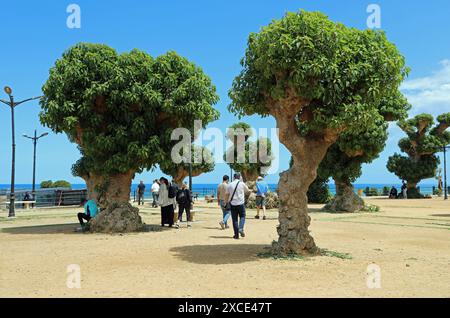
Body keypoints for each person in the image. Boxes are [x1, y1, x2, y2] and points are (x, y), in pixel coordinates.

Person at [226, 173, 250, 239]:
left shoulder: (229, 184)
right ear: (239, 177)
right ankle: (241, 228)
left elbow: (227, 194)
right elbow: (247, 191)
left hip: (233, 204)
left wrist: (226, 202)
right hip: (241, 203)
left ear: (233, 177)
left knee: (234, 220)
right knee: (242, 216)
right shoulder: (242, 184)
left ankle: (236, 235)